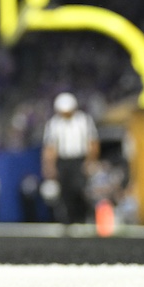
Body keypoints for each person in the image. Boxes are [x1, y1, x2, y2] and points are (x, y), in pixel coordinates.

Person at [42, 92, 98, 225]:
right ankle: (69, 220)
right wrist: (49, 165)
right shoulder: (54, 124)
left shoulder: (84, 120)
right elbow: (50, 147)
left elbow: (93, 143)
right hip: (63, 161)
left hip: (79, 159)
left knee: (80, 189)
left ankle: (83, 217)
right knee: (65, 192)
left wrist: (90, 161)